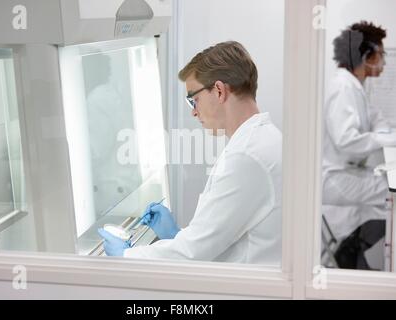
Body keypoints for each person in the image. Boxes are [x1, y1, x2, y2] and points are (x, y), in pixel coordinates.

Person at [98, 41, 282, 264]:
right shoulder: (259, 140)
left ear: (219, 91)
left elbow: (194, 251)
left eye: (194, 100)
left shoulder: (247, 156)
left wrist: (126, 255)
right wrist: (176, 235)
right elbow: (215, 236)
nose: (194, 112)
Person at [322, 21, 396, 269]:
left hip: (346, 173)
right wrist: (388, 138)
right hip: (335, 177)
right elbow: (347, 141)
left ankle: (352, 247)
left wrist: (386, 133)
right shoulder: (343, 87)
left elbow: (379, 121)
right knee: (392, 197)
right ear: (367, 55)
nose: (383, 60)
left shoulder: (355, 87)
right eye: (381, 54)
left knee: (388, 197)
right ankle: (351, 248)